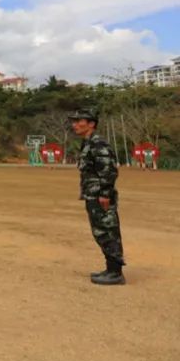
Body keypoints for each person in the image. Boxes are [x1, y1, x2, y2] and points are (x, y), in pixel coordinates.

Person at [69, 109, 126, 285]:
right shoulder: (88, 143)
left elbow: (109, 170)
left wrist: (105, 194)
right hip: (92, 195)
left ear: (91, 124)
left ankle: (115, 272)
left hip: (101, 196)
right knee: (100, 232)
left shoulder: (98, 143)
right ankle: (111, 268)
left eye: (80, 121)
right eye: (74, 121)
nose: (75, 124)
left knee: (107, 231)